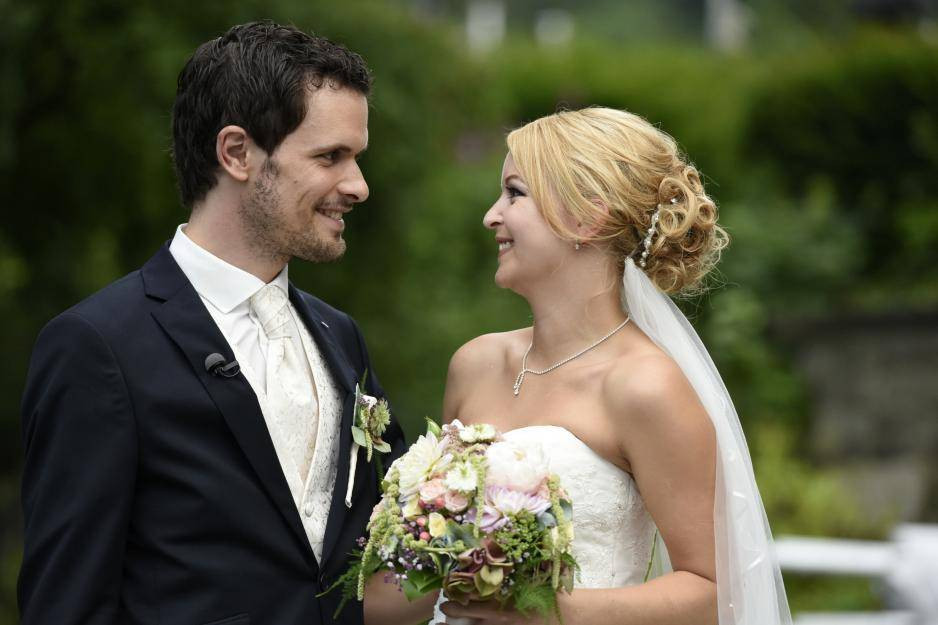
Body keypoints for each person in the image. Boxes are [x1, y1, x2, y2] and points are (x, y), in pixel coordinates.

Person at [18, 21, 423, 625]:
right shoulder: (99, 346)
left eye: (357, 158)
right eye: (330, 157)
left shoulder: (341, 336)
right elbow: (67, 603)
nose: (358, 185)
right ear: (236, 153)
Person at [436, 107, 792, 624]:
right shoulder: (475, 364)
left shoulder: (645, 386)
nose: (492, 215)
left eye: (514, 193)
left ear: (585, 216)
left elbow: (715, 592)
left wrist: (548, 613)